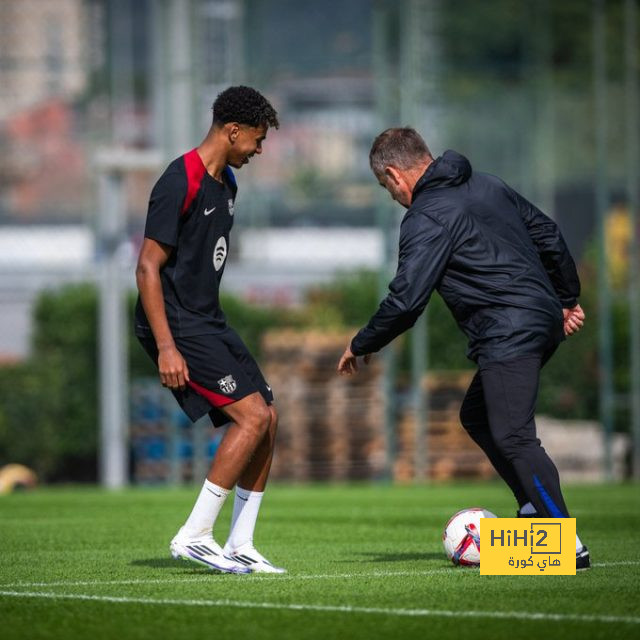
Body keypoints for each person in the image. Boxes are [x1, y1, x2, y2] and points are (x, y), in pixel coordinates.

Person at [337, 127, 590, 570]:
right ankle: (532, 509)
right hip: (538, 319)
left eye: (385, 188)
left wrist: (362, 342)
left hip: (507, 330)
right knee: (476, 414)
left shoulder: (426, 216)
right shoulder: (487, 184)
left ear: (395, 175)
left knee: (513, 434)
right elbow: (548, 234)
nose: (392, 197)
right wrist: (565, 297)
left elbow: (406, 300)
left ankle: (562, 543)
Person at [135, 86, 284, 574]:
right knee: (251, 418)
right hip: (178, 323)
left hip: (208, 320)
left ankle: (241, 543)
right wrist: (165, 348)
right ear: (232, 131)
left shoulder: (228, 186)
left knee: (269, 417)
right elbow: (146, 268)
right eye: (256, 141)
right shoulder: (180, 180)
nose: (258, 151)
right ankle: (195, 534)